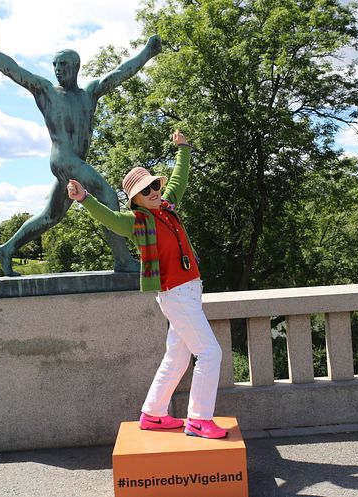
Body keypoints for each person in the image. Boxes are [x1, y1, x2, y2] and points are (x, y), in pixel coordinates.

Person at [0, 24, 162, 276]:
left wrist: (147, 52)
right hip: (63, 159)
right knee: (108, 196)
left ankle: (7, 248)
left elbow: (120, 73)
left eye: (63, 65)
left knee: (51, 216)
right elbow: (12, 69)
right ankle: (122, 259)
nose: (58, 70)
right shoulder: (46, 91)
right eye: (55, 65)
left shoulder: (89, 93)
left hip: (73, 162)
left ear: (75, 67)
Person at [66, 130, 228, 439]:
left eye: (155, 185)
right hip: (175, 295)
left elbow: (179, 179)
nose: (154, 191)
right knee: (209, 353)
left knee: (178, 357)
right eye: (146, 190)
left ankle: (153, 414)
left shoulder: (167, 208)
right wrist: (84, 198)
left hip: (191, 290)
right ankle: (198, 418)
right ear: (136, 199)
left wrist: (183, 149)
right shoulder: (137, 222)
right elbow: (110, 217)